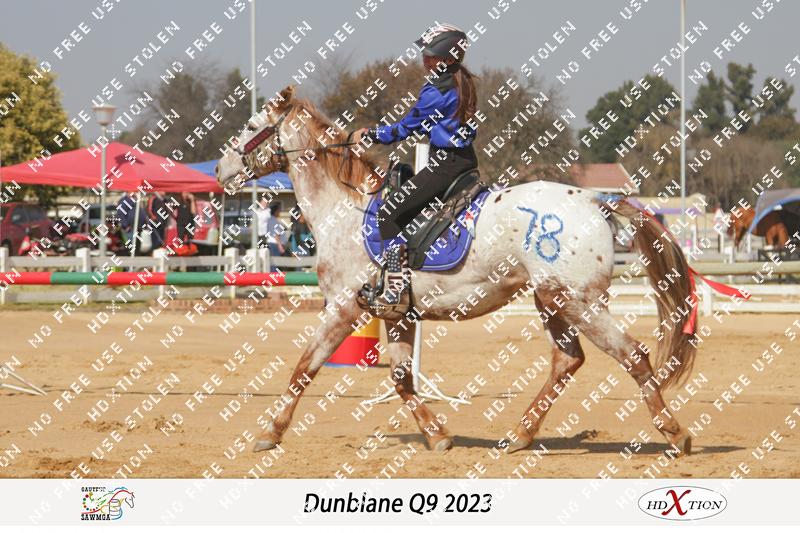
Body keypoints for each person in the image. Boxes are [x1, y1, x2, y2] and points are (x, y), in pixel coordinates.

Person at [355, 23, 479, 305]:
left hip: (445, 165)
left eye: (430, 55)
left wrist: (371, 134)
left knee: (389, 212)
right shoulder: (462, 80)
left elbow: (405, 128)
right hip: (465, 159)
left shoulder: (436, 90)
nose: (424, 60)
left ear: (445, 57)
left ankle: (395, 287)